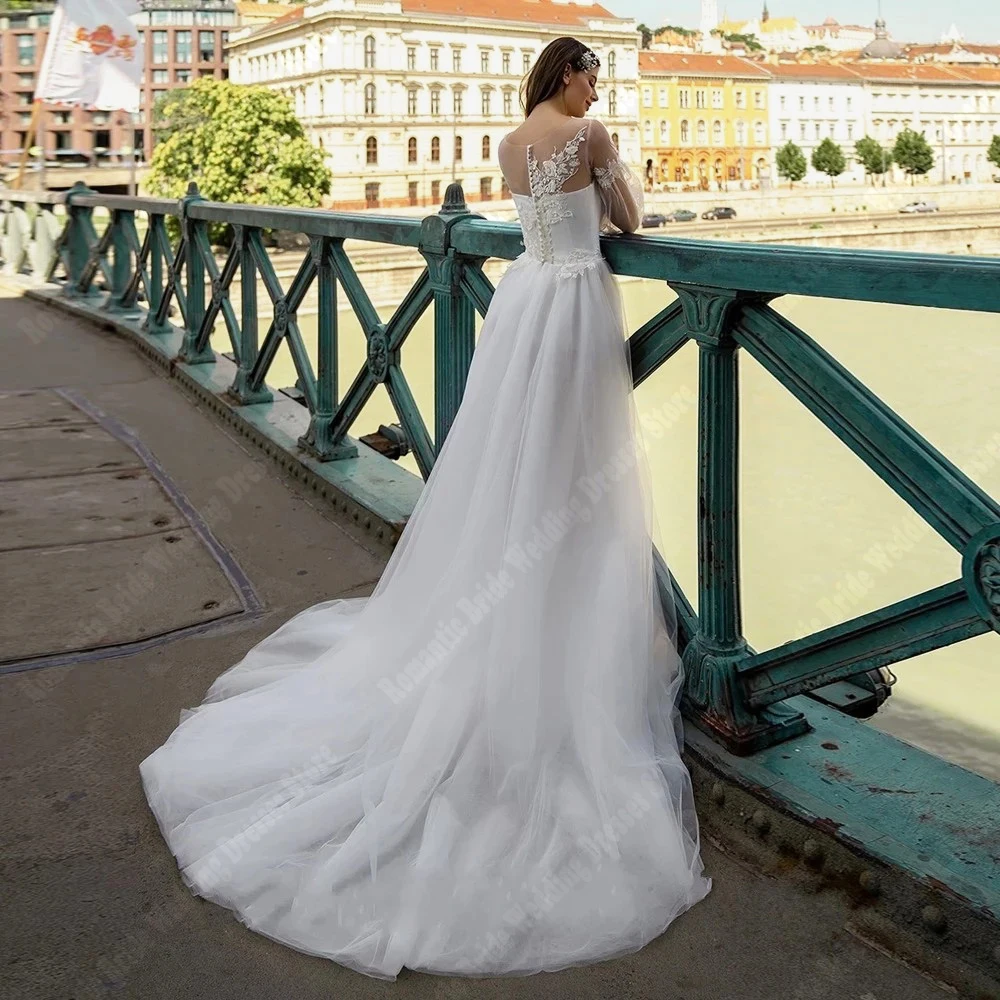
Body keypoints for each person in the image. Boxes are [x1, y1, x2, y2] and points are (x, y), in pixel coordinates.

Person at [140, 35, 711, 980]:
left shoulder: (508, 141)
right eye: (591, 72)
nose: (597, 84)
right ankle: (569, 628)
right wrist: (618, 200)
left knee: (516, 464)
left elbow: (539, 219)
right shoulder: (592, 132)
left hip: (527, 297)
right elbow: (628, 216)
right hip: (574, 304)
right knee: (580, 470)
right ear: (568, 76)